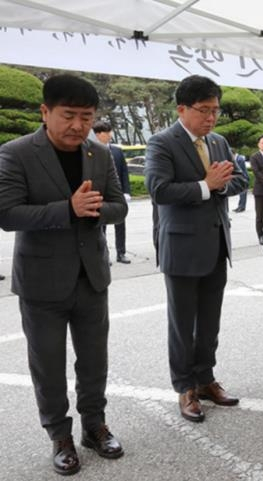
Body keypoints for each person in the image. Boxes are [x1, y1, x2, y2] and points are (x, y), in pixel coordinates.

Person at [0, 74, 128, 475]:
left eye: (86, 117)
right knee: (48, 365)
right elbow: (7, 214)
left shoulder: (99, 153)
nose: (78, 126)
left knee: (94, 361)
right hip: (41, 283)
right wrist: (67, 209)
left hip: (91, 276)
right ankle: (59, 434)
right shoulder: (16, 153)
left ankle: (94, 426)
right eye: (69, 115)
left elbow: (119, 206)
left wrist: (95, 209)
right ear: (45, 111)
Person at [144, 75, 249, 423]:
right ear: (182, 109)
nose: (211, 118)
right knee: (182, 323)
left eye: (215, 110)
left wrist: (219, 186)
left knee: (209, 323)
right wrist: (206, 185)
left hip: (217, 244)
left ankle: (205, 378)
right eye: (204, 110)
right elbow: (159, 190)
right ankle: (184, 386)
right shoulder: (162, 143)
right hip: (182, 248)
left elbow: (239, 180)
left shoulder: (217, 141)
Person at [93, 120, 132, 264]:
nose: (110, 135)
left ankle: (121, 253)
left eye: (110, 131)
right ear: (98, 134)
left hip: (117, 194)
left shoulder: (117, 151)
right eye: (107, 132)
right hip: (101, 195)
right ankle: (104, 254)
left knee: (120, 224)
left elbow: (124, 173)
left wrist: (126, 191)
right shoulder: (92, 151)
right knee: (101, 227)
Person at [250, 135, 263, 244]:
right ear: (258, 144)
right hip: (260, 191)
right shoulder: (254, 157)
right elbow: (257, 172)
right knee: (259, 215)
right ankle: (260, 235)